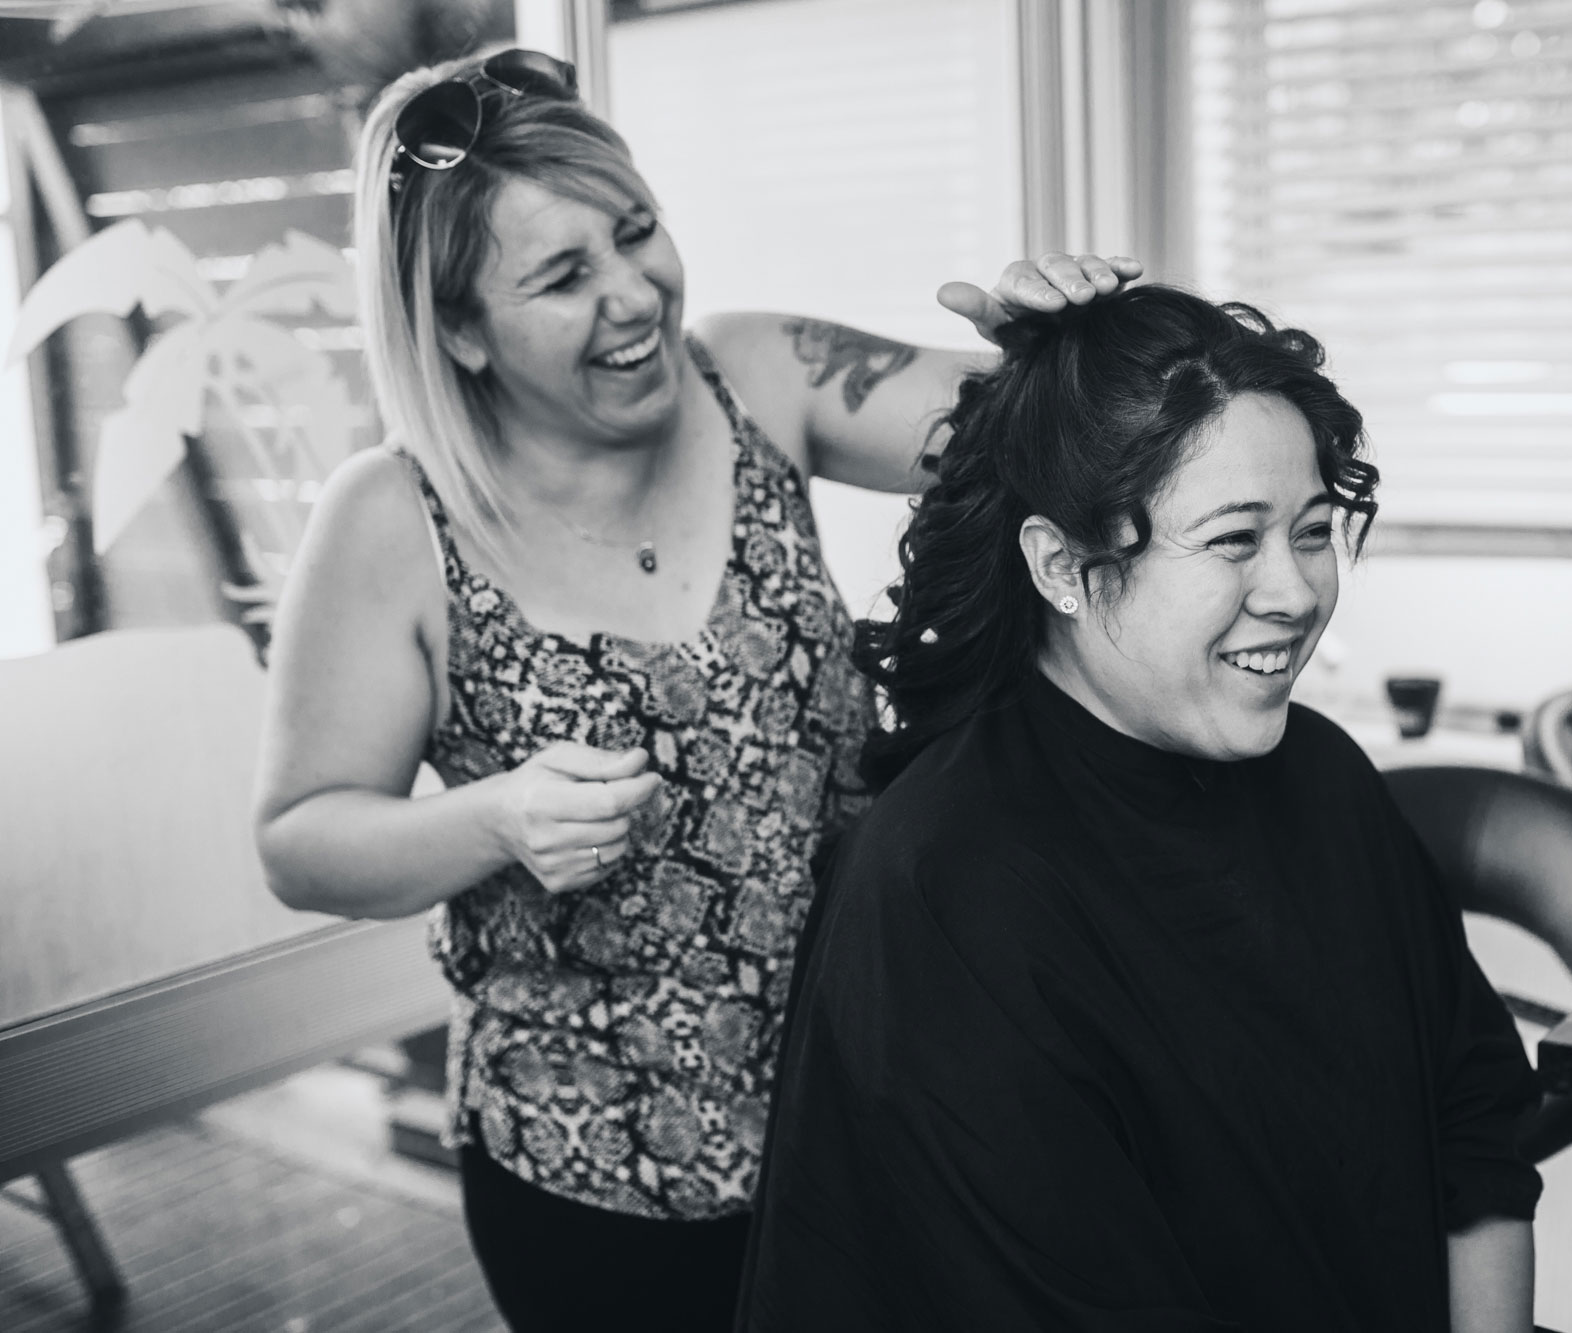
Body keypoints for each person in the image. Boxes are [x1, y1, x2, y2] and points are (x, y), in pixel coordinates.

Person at [252, 48, 1135, 1332]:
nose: (635, 295)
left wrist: (1058, 348)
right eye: (561, 276)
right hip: (594, 1176)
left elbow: (1063, 441)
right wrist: (492, 819)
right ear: (456, 326)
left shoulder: (758, 378)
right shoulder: (392, 517)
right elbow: (300, 840)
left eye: (636, 233)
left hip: (870, 1113)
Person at [739, 286, 1543, 1332]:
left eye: (1309, 532)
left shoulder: (1325, 777)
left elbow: (1472, 1119)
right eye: (1229, 540)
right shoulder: (946, 890)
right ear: (1063, 568)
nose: (1295, 593)